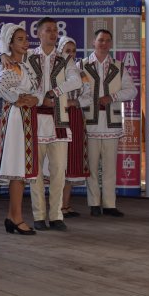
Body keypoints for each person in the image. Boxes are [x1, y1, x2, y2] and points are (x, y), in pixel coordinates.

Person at [26, 17, 82, 230]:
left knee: (59, 170)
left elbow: (76, 80)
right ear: (38, 33)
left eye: (55, 30)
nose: (52, 34)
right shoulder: (28, 56)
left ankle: (56, 215)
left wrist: (55, 92)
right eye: (48, 30)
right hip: (34, 119)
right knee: (36, 172)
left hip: (59, 119)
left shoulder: (65, 58)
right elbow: (13, 71)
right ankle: (39, 215)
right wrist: (2, 56)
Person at [79, 29, 136, 217]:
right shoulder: (82, 65)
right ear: (93, 42)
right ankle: (94, 203)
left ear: (111, 44)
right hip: (90, 122)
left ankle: (110, 204)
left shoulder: (119, 66)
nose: (103, 43)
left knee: (110, 166)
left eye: (107, 40)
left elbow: (132, 90)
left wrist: (112, 97)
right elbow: (74, 91)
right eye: (100, 40)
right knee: (92, 166)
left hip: (111, 122)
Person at [0, 23, 39, 236]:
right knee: (17, 168)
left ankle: (13, 216)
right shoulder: (9, 66)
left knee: (20, 170)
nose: (25, 42)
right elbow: (0, 88)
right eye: (20, 39)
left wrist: (35, 99)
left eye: (26, 39)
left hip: (27, 118)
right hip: (16, 118)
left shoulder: (26, 65)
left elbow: (38, 89)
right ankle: (16, 217)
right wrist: (19, 99)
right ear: (10, 43)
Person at [57, 35, 88, 218]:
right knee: (59, 160)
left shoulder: (80, 72)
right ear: (60, 51)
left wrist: (75, 102)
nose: (71, 54)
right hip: (58, 116)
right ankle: (57, 206)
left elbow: (88, 94)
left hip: (74, 117)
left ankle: (65, 204)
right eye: (67, 50)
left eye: (73, 51)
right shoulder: (54, 71)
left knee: (71, 160)